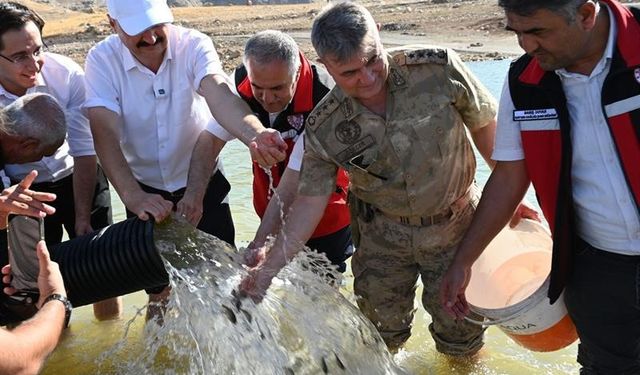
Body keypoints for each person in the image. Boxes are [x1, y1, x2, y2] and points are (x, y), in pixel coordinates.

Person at [241, 1, 538, 356]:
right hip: (381, 238)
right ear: (325, 66)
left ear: (378, 36)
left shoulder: (438, 69)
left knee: (462, 336)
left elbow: (488, 131)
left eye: (372, 60)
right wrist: (268, 270)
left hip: (457, 227)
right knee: (379, 339)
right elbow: (308, 203)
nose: (367, 79)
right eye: (349, 73)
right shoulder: (325, 126)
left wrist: (509, 201)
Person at [440, 0, 639, 373]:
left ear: (585, 14)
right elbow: (510, 175)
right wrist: (463, 261)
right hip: (597, 268)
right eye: (516, 32)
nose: (525, 46)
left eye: (537, 32)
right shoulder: (524, 82)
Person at [84, 0, 284, 319]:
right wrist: (133, 196)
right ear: (112, 24)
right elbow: (103, 130)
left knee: (223, 281)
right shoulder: (101, 59)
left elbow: (219, 93)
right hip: (145, 193)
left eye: (156, 26)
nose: (150, 38)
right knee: (158, 291)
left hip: (206, 183)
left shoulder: (193, 44)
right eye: (138, 30)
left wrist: (255, 134)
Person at [185, 30, 353, 272]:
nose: (267, 98)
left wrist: (259, 242)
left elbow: (294, 181)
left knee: (314, 296)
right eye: (258, 88)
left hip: (325, 219)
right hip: (270, 212)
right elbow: (209, 140)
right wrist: (194, 196)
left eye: (277, 88)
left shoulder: (326, 97)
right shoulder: (241, 83)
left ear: (296, 74)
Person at [0, 2, 119, 321]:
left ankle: (108, 332)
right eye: (20, 56)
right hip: (20, 189)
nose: (34, 64)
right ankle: (53, 337)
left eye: (37, 49)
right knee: (32, 280)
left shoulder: (65, 73)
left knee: (102, 263)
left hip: (78, 173)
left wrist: (82, 216)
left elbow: (84, 148)